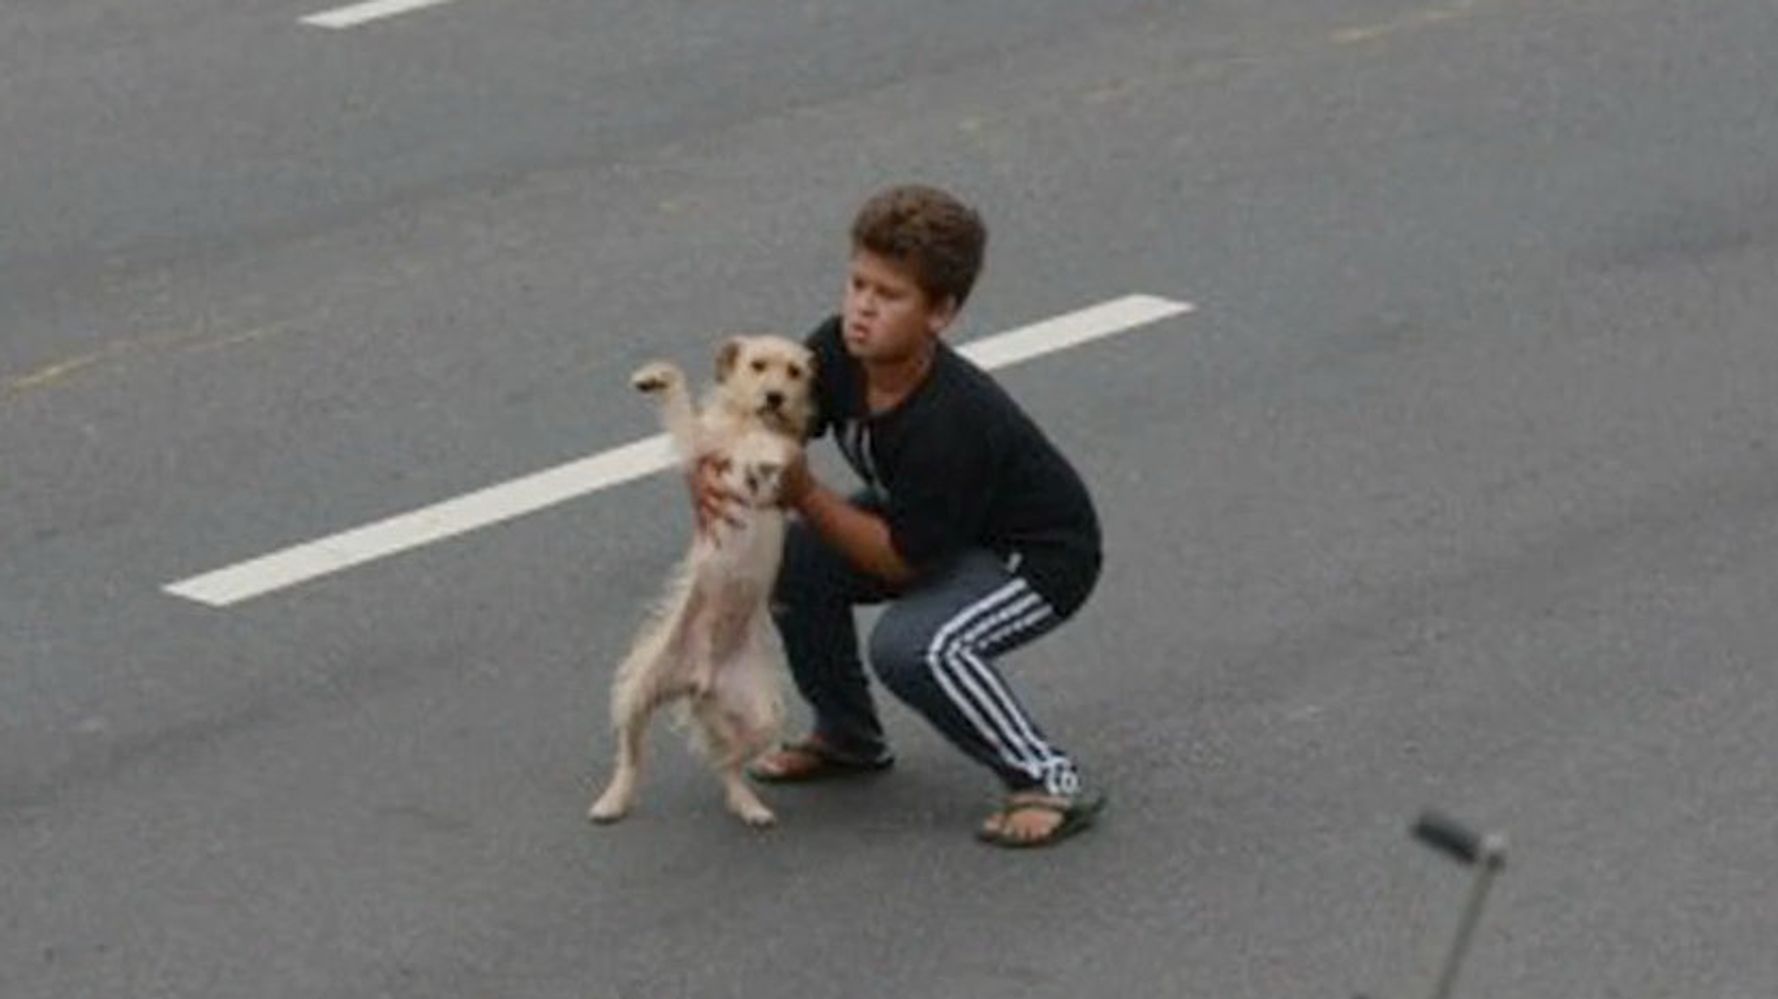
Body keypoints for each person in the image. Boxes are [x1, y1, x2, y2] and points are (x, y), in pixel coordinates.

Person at [696, 184, 1106, 847]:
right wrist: (719, 478)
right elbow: (769, 428)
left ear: (940, 313)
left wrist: (801, 490)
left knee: (918, 647)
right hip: (939, 529)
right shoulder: (835, 350)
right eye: (858, 283)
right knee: (787, 558)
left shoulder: (951, 420)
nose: (861, 308)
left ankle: (1047, 776)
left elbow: (899, 560)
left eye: (888, 297)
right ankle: (848, 736)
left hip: (1034, 562)